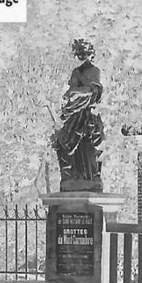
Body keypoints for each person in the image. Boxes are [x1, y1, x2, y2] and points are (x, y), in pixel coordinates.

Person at [52, 39, 105, 190]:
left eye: (85, 53)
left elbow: (93, 91)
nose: (82, 56)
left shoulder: (94, 71)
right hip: (74, 113)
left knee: (87, 144)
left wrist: (75, 92)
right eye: (79, 53)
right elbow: (70, 92)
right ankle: (73, 176)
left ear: (90, 55)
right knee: (65, 142)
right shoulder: (76, 72)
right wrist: (68, 100)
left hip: (86, 115)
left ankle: (89, 176)